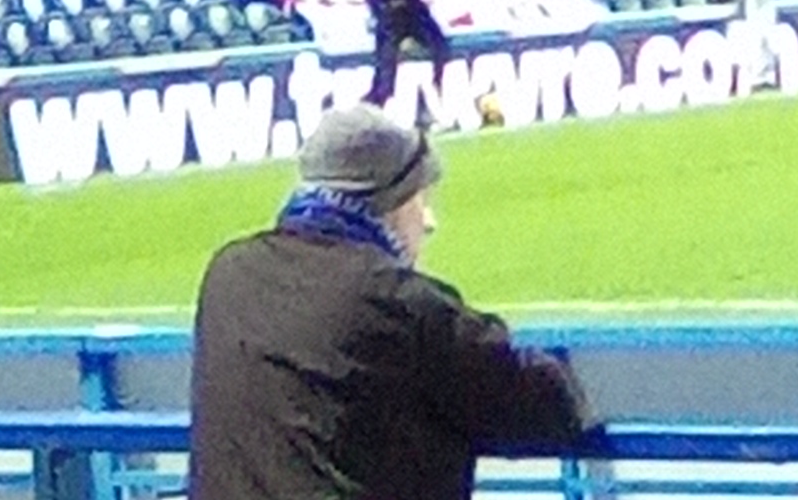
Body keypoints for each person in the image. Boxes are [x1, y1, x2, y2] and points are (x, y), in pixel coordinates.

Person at [190, 103, 592, 500]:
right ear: (392, 204)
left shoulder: (228, 273)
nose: (429, 222)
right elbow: (545, 405)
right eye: (420, 200)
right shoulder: (395, 301)